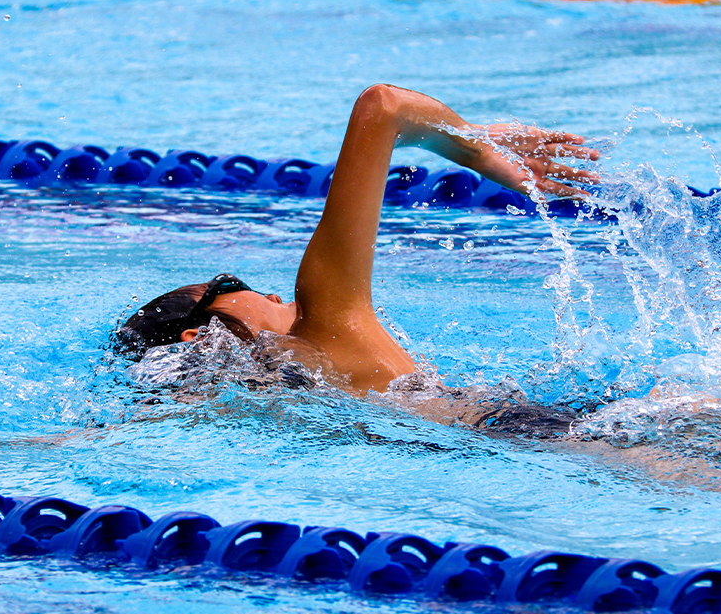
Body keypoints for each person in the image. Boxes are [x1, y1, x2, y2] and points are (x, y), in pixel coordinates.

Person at [115, 84, 599, 398]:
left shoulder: (283, 401)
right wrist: (478, 149)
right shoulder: (322, 318)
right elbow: (383, 106)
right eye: (230, 283)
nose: (273, 294)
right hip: (550, 434)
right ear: (200, 337)